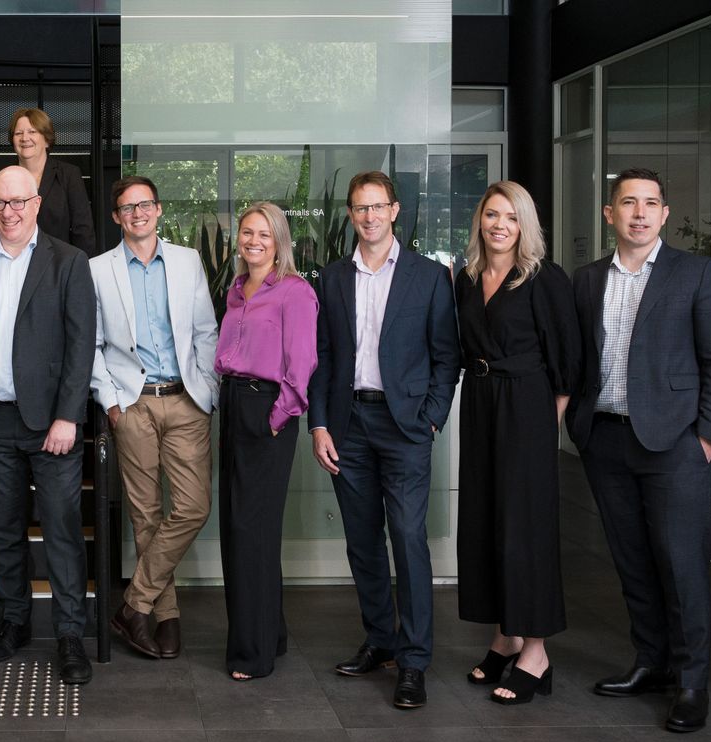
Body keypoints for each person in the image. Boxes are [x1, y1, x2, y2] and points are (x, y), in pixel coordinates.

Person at [568, 167, 711, 733]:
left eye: (651, 203)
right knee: (632, 560)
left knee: (681, 563)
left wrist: (708, 437)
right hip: (606, 438)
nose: (639, 213)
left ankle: (692, 681)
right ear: (609, 213)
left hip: (676, 444)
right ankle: (652, 662)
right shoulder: (588, 279)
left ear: (665, 214)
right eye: (628, 203)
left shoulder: (696, 273)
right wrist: (577, 421)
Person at [308, 171, 463, 709]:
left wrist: (433, 420)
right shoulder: (330, 278)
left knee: (408, 538)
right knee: (363, 542)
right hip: (348, 425)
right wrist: (320, 423)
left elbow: (448, 357)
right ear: (350, 215)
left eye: (378, 207)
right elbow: (323, 357)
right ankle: (380, 640)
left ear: (395, 211)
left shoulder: (428, 277)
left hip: (405, 428)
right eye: (360, 208)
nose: (369, 217)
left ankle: (415, 660)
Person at [0, 166, 96, 684]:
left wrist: (67, 416)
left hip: (51, 425)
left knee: (61, 531)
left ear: (36, 204)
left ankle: (71, 632)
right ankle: (14, 621)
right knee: (3, 531)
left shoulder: (69, 261)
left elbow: (81, 347)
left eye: (17, 202)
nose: (8, 212)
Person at [450, 182, 580, 705]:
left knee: (525, 527)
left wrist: (546, 423)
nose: (499, 224)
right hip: (480, 402)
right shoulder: (467, 278)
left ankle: (537, 651)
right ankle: (505, 636)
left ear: (525, 225)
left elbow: (568, 362)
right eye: (491, 215)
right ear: (479, 221)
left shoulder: (545, 280)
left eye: (511, 216)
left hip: (527, 405)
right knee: (485, 519)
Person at [90, 176, 220, 660]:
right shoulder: (98, 269)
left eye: (144, 205)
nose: (137, 214)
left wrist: (205, 388)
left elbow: (206, 330)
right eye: (127, 208)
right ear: (116, 218)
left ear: (158, 209)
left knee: (192, 507)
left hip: (186, 399)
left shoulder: (187, 260)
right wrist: (111, 403)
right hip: (133, 402)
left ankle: (133, 604)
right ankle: (164, 616)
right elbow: (93, 344)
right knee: (145, 515)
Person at [214, 201, 318, 681]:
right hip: (235, 406)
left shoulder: (294, 292)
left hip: (266, 411)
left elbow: (302, 366)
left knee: (252, 534)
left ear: (279, 241)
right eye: (247, 233)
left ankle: (251, 655)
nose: (253, 241)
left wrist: (277, 419)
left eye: (264, 234)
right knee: (238, 527)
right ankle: (270, 633)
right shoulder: (237, 289)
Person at [10, 107, 95, 255]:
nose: (24, 138)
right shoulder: (4, 178)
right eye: (18, 133)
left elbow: (83, 230)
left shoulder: (69, 175)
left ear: (47, 140)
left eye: (32, 132)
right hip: (13, 265)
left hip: (59, 267)